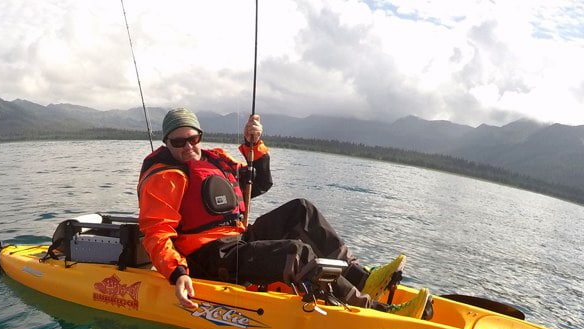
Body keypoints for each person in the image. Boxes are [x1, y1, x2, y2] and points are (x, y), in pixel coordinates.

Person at [137, 107, 431, 317]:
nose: (188, 146)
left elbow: (260, 184)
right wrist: (177, 274)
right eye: (179, 142)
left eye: (193, 138)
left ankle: (363, 279)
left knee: (302, 210)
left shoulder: (216, 160)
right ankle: (376, 311)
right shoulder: (165, 176)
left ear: (200, 136)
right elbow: (156, 233)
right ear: (167, 142)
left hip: (237, 241)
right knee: (297, 252)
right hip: (208, 257)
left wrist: (255, 146)